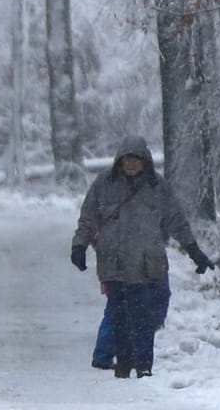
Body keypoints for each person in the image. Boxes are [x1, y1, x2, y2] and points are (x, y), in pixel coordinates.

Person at [69, 136, 210, 379]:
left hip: (147, 264)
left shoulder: (158, 188)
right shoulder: (104, 184)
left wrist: (194, 250)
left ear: (145, 161)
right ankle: (124, 363)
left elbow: (176, 221)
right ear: (119, 161)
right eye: (127, 159)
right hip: (114, 263)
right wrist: (79, 246)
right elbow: (88, 217)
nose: (131, 164)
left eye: (136, 159)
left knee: (144, 317)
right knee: (120, 317)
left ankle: (144, 364)